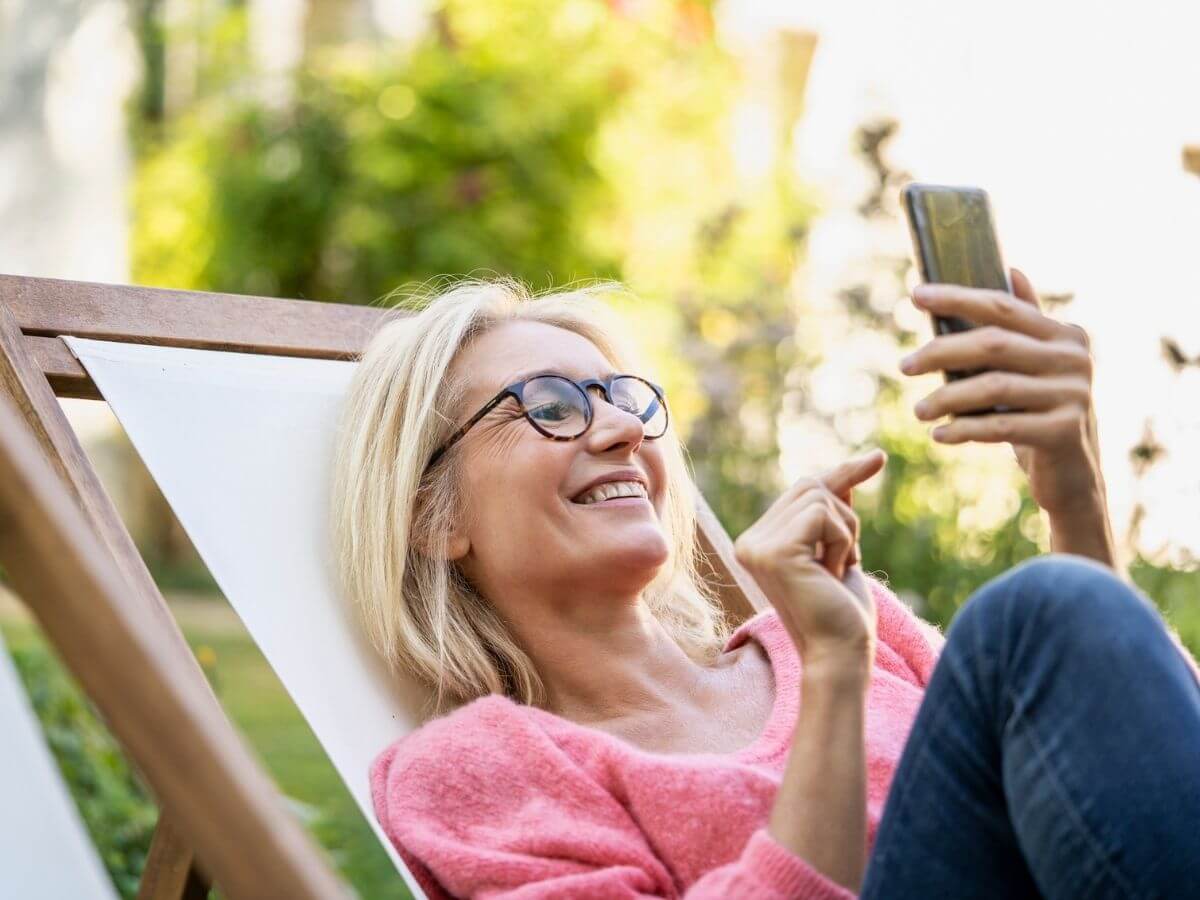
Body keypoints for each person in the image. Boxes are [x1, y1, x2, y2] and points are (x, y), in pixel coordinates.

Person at [330, 271, 1200, 899]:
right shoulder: (478, 772)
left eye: (626, 397)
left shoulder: (839, 631)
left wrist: (1074, 496)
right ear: (433, 518)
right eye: (553, 405)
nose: (625, 429)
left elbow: (1117, 791)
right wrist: (833, 675)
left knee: (1049, 609)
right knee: (1034, 610)